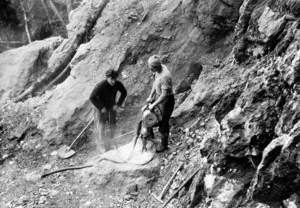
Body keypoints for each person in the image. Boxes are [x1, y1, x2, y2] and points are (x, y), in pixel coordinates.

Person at [90, 69, 127, 152]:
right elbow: (92, 97)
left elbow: (124, 92)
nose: (113, 81)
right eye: (111, 79)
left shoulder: (118, 84)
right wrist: (101, 108)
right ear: (107, 78)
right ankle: (101, 145)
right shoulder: (101, 86)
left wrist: (118, 104)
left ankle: (111, 141)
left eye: (115, 79)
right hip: (100, 107)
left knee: (112, 124)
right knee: (100, 126)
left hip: (111, 106)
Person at [145, 55, 175, 152]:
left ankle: (164, 145)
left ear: (156, 66)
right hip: (158, 97)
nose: (149, 68)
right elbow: (155, 83)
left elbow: (164, 95)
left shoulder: (165, 76)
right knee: (149, 114)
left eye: (151, 67)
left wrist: (153, 104)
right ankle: (150, 135)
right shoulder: (158, 70)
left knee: (163, 123)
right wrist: (151, 95)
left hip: (166, 102)